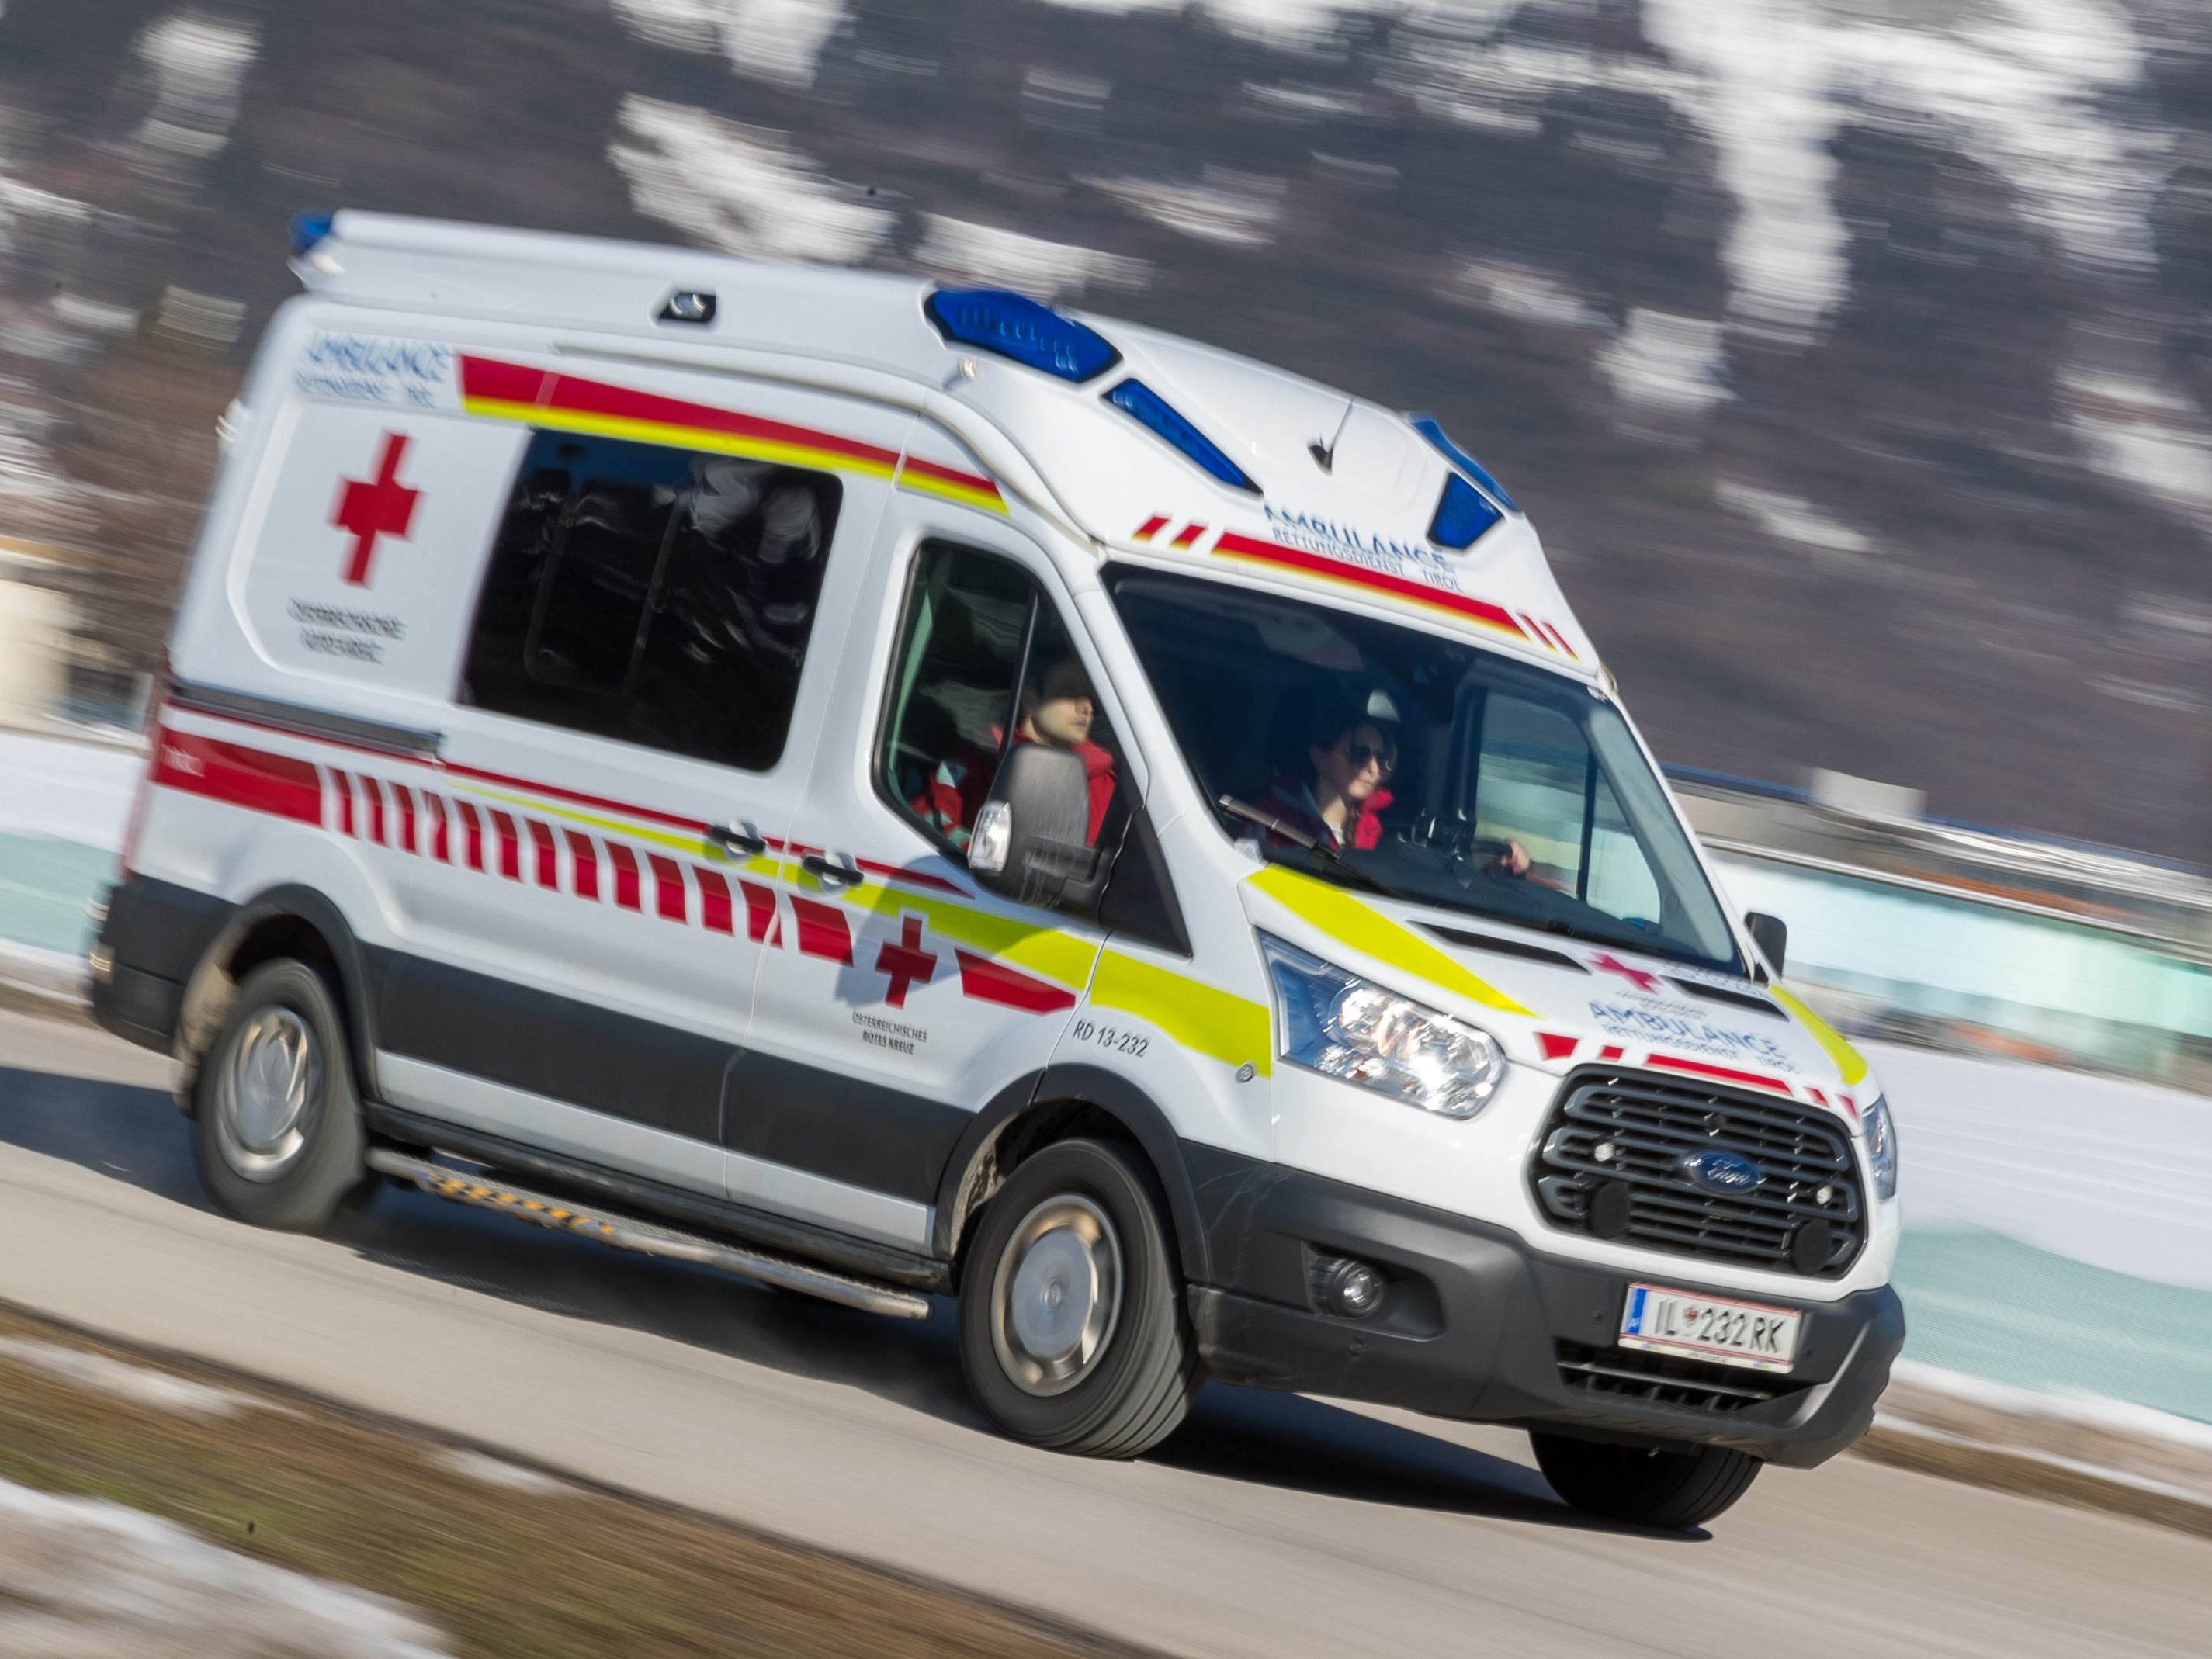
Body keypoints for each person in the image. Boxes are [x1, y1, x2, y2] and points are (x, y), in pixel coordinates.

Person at [911, 655, 1118, 847]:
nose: (1087, 708)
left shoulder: (1105, 784)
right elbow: (929, 824)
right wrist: (987, 854)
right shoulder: (976, 759)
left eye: (1091, 699)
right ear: (1030, 700)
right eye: (1070, 693)